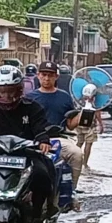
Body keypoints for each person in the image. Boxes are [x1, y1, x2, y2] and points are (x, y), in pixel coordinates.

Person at [0, 65, 58, 217]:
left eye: (11, 91)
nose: (6, 96)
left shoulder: (32, 107)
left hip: (27, 155)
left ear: (19, 90)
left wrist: (43, 141)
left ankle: (40, 212)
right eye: (2, 91)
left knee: (43, 174)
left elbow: (40, 128)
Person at [29, 61, 86, 189]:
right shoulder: (29, 98)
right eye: (44, 74)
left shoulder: (64, 97)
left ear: (56, 77)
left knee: (76, 154)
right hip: (34, 139)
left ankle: (71, 190)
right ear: (38, 75)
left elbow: (70, 125)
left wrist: (84, 113)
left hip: (58, 139)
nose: (47, 78)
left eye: (50, 75)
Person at [74, 84, 104, 167]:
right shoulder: (96, 102)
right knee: (88, 144)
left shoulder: (79, 100)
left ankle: (73, 159)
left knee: (79, 142)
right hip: (90, 124)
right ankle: (85, 163)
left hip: (80, 123)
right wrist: (101, 124)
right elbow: (97, 113)